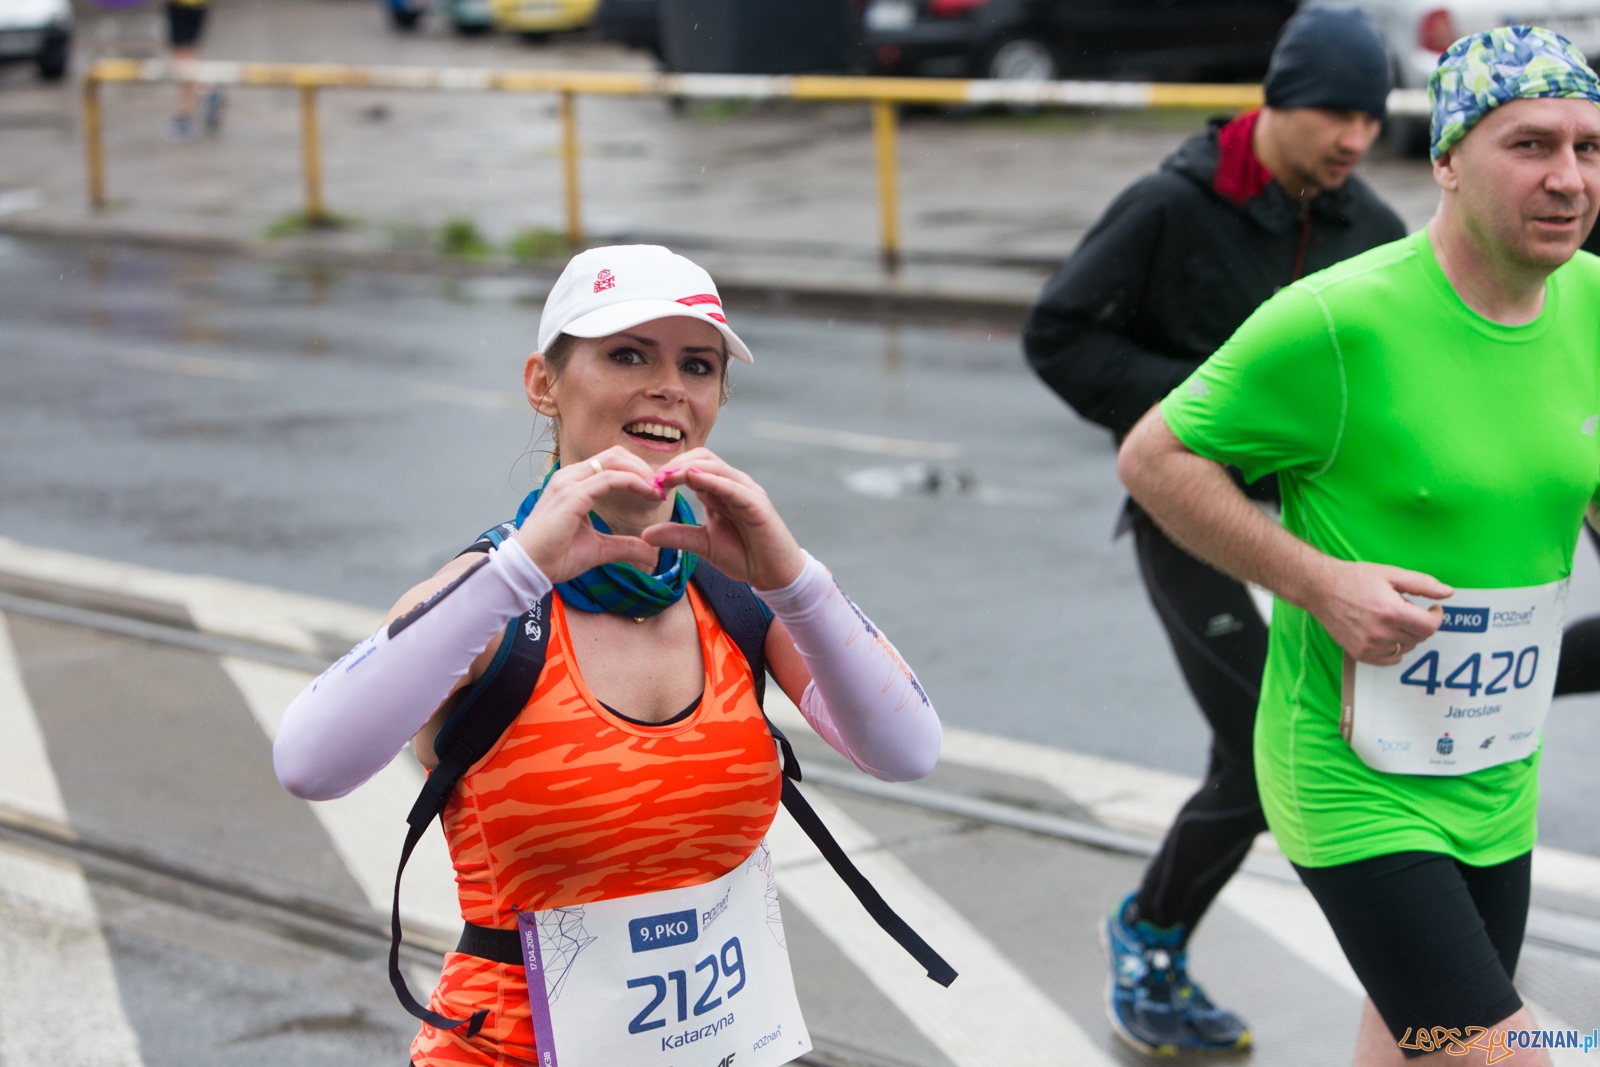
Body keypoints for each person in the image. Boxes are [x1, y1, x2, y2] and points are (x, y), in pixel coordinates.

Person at [271, 245, 944, 1067]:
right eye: (628, 354)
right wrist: (520, 568)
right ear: (543, 383)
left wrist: (793, 578)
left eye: (697, 365)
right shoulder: (487, 602)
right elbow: (308, 761)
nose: (670, 386)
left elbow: (909, 751)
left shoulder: (736, 600)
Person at [1118, 26, 1600, 1065]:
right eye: (1529, 146)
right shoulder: (1339, 321)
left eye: (1587, 147)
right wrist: (1318, 580)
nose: (1567, 178)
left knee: (1417, 1040)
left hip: (1493, 771)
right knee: (1504, 1051)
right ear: (1447, 159)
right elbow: (1154, 459)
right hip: (1352, 774)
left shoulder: (1596, 306)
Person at [1021, 6, 1404, 1054]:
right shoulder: (1167, 205)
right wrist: (1193, 409)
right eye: (1334, 112)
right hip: (1186, 514)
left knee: (1332, 742)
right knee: (1252, 748)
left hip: (1316, 535)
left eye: (1370, 118)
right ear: (1275, 101)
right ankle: (1147, 931)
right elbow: (1055, 331)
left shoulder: (1369, 230)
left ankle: (1425, 973)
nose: (1354, 139)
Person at [165, 0, 222, 141]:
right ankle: (185, 113)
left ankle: (203, 95)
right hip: (198, 5)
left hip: (182, 6)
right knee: (186, 58)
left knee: (182, 60)